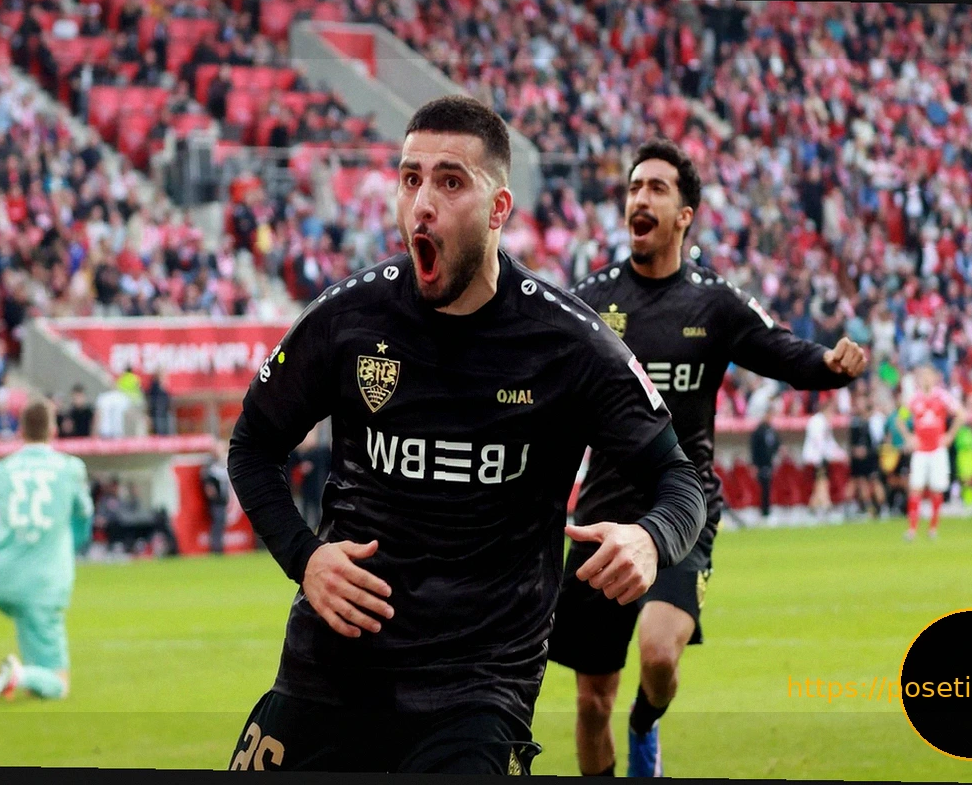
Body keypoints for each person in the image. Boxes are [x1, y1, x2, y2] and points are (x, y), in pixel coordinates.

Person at [225, 96, 707, 774]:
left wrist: (651, 539)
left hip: (477, 691)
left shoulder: (569, 344)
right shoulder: (349, 319)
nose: (422, 204)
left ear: (498, 208)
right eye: (410, 178)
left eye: (450, 182)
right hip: (329, 666)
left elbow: (679, 479)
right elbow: (251, 445)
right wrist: (305, 558)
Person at [549, 138, 867, 778]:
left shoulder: (714, 302)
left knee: (659, 657)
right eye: (634, 188)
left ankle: (645, 724)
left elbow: (782, 350)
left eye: (656, 188)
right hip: (602, 514)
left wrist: (831, 365)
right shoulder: (592, 299)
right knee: (589, 703)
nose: (639, 198)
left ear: (684, 215)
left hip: (680, 509)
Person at [0, 397, 94, 704]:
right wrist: (70, 548)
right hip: (45, 581)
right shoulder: (70, 469)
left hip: (2, 579)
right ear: (53, 430)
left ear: (20, 431)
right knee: (59, 685)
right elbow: (84, 517)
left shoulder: (0, 470)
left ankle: (28, 678)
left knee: (35, 651)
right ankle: (18, 675)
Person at [898, 365, 966, 541]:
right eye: (923, 376)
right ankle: (912, 529)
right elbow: (900, 419)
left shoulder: (942, 396)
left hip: (937, 450)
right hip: (920, 451)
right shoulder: (914, 398)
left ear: (935, 378)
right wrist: (909, 437)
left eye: (929, 376)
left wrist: (949, 435)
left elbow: (961, 414)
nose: (926, 379)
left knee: (937, 489)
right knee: (915, 489)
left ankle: (933, 528)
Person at [846, 392, 885, 519]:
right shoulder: (855, 421)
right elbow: (851, 441)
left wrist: (867, 451)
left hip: (872, 456)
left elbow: (878, 440)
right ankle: (868, 509)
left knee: (875, 481)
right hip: (859, 458)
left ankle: (882, 508)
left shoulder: (875, 419)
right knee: (862, 482)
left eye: (861, 402)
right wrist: (854, 450)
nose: (858, 405)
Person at [749, 403, 781, 520]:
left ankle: (767, 511)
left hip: (770, 463)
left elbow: (777, 444)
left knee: (768, 487)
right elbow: (754, 448)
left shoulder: (771, 430)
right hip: (760, 463)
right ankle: (763, 513)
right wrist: (754, 464)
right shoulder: (758, 431)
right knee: (763, 488)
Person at [202, 439, 231, 555]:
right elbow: (208, 483)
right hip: (216, 501)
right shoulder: (211, 466)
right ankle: (216, 547)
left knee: (220, 523)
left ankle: (218, 546)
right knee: (217, 523)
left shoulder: (221, 464)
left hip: (222, 500)